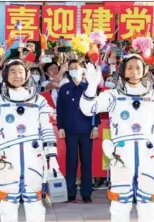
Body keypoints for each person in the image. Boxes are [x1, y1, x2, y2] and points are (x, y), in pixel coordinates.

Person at [79, 54, 154, 222]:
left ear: (145, 70)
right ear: (123, 71)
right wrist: (91, 87)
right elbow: (88, 109)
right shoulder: (112, 96)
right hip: (121, 158)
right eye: (130, 68)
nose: (134, 72)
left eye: (138, 68)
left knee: (149, 206)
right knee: (120, 206)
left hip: (149, 156)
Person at [0, 59, 60, 222]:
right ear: (5, 75)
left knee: (35, 205)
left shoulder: (39, 101)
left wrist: (52, 158)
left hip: (34, 160)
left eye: (21, 71)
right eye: (13, 71)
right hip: (7, 161)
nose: (17, 75)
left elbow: (47, 131)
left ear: (27, 75)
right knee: (8, 206)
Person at [57, 59, 100, 203]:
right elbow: (60, 110)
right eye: (71, 68)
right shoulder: (64, 88)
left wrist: (95, 127)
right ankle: (70, 192)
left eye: (77, 67)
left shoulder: (89, 87)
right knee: (71, 161)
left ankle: (86, 193)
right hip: (70, 130)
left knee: (86, 161)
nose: (74, 70)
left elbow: (95, 108)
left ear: (83, 70)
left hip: (87, 130)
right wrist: (60, 127)